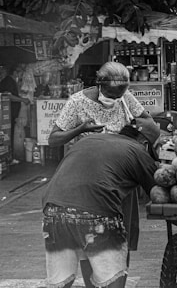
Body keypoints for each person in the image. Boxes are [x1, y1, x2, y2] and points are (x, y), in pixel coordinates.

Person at [47, 61, 151, 285]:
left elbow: (148, 122)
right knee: (89, 239)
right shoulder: (77, 102)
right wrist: (80, 129)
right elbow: (53, 139)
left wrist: (136, 126)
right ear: (99, 84)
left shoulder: (126, 97)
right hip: (88, 176)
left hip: (120, 177)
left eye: (119, 95)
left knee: (121, 237)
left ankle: (116, 277)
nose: (114, 100)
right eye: (111, 94)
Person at [42, 118, 160, 288]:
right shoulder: (138, 150)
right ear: (146, 144)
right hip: (96, 213)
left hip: (53, 211)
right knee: (112, 281)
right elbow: (158, 191)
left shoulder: (89, 140)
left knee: (61, 282)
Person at [0, 64, 30, 160]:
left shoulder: (11, 81)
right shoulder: (8, 81)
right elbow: (8, 96)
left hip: (10, 114)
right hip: (6, 114)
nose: (21, 75)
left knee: (10, 134)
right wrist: (22, 100)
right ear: (15, 72)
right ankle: (9, 158)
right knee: (7, 135)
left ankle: (10, 157)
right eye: (20, 72)